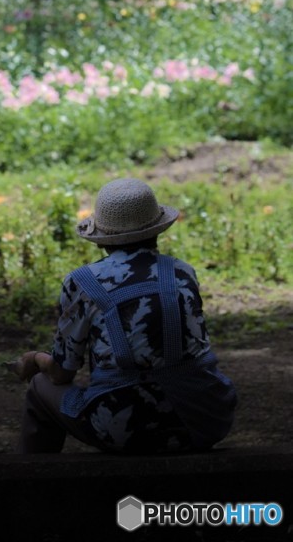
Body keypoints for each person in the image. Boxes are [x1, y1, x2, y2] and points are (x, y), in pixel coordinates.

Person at [15, 177, 237, 454]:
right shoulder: (182, 272)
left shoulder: (83, 282)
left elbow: (61, 372)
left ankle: (33, 484)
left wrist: (34, 359)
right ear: (158, 230)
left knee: (40, 387)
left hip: (127, 428)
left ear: (101, 240)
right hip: (203, 419)